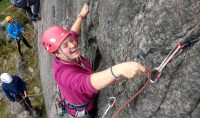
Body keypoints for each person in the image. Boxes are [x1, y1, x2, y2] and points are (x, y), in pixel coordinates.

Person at [41, 3, 146, 118]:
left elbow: (73, 33)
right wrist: (119, 69)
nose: (72, 44)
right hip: (83, 107)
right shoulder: (63, 74)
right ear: (57, 53)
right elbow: (84, 83)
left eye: (71, 40)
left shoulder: (66, 51)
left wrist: (81, 16)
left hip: (87, 93)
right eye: (66, 45)